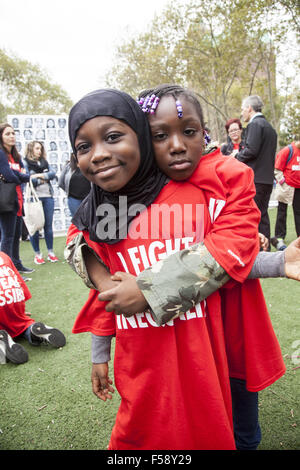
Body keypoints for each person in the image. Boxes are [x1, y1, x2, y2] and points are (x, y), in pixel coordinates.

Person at [79, 85, 285, 451]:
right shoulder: (114, 203)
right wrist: (100, 351)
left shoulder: (222, 178)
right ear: (145, 139)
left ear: (204, 132)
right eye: (160, 136)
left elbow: (231, 251)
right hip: (159, 354)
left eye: (188, 132)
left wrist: (148, 290)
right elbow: (103, 267)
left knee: (241, 426)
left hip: (226, 328)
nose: (175, 145)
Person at [0, 251, 66, 365]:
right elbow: (19, 283)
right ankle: (31, 330)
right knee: (22, 323)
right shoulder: (3, 255)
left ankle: (3, 342)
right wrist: (20, 311)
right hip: (14, 300)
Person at [235, 95, 277, 244]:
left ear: (249, 108)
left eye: (242, 109)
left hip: (256, 180)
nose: (242, 113)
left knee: (253, 216)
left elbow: (251, 150)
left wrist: (235, 157)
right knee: (263, 216)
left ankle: (256, 252)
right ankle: (265, 252)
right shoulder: (270, 128)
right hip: (267, 181)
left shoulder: (255, 125)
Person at [0, 123, 33, 279]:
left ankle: (17, 265)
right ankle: (7, 271)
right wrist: (17, 174)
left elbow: (22, 175)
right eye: (7, 134)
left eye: (13, 133)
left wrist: (17, 175)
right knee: (7, 237)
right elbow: (10, 175)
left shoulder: (16, 156)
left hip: (18, 199)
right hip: (6, 200)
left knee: (16, 235)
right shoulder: (0, 153)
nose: (11, 136)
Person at [24, 141, 59, 265]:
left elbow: (53, 174)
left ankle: (51, 252)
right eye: (37, 148)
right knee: (35, 227)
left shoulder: (45, 162)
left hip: (48, 196)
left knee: (48, 227)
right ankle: (37, 254)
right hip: (34, 199)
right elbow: (29, 179)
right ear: (31, 149)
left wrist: (38, 176)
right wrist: (43, 178)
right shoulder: (25, 162)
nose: (39, 150)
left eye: (41, 148)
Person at [271, 139, 300, 251]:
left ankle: (299, 237)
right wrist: (283, 182)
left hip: (298, 188)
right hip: (286, 187)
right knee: (281, 212)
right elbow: (277, 169)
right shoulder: (288, 150)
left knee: (298, 213)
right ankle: (279, 236)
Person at [58, 153, 91, 217]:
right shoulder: (68, 166)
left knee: (90, 221)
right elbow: (61, 182)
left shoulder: (88, 164)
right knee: (77, 223)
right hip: (73, 199)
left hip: (88, 199)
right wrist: (68, 191)